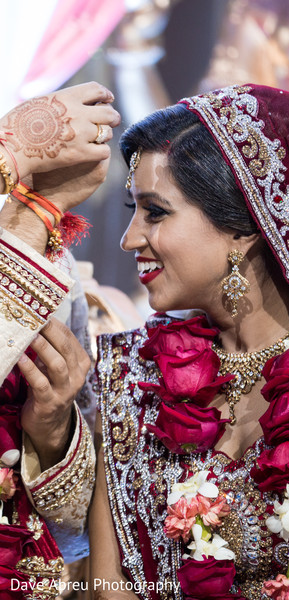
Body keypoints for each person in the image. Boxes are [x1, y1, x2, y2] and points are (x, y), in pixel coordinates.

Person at [89, 83, 289, 600]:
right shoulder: (132, 373)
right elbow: (109, 586)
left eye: (156, 212)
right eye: (132, 210)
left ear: (245, 228)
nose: (129, 239)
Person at [0, 81, 120, 596]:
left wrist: (50, 431)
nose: (133, 238)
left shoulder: (53, 266)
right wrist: (16, 153)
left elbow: (75, 537)